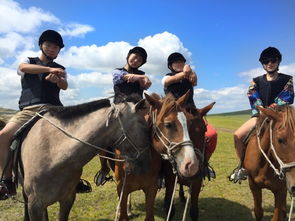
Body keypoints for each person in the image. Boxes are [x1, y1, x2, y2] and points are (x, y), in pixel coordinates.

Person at [0, 30, 90, 200]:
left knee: (78, 137)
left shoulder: (61, 69)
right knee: (3, 136)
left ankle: (74, 178)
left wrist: (58, 80)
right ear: (41, 45)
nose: (51, 49)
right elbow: (22, 68)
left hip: (53, 109)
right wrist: (49, 69)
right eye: (48, 45)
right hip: (29, 110)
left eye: (55, 47)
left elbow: (64, 86)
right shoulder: (29, 60)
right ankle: (7, 181)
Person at [229, 47, 294, 183]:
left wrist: (270, 111)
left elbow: (286, 97)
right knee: (238, 135)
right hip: (260, 116)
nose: (270, 63)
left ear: (278, 61)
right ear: (263, 64)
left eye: (273, 60)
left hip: (281, 117)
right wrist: (261, 111)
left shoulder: (287, 80)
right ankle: (242, 167)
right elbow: (252, 95)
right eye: (266, 61)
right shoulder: (256, 81)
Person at [94, 46, 152, 186]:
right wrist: (142, 77)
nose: (136, 60)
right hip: (120, 109)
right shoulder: (117, 71)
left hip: (138, 110)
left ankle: (159, 171)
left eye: (140, 59)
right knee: (102, 136)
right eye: (135, 56)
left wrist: (145, 80)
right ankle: (104, 168)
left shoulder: (141, 74)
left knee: (154, 132)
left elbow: (146, 85)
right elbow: (126, 77)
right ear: (128, 55)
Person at [162, 52, 218, 180]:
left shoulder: (190, 76)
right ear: (170, 66)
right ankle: (161, 172)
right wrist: (186, 71)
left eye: (181, 62)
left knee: (211, 135)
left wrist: (191, 72)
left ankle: (204, 165)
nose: (179, 64)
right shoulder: (166, 77)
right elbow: (172, 80)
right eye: (175, 62)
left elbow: (195, 81)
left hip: (191, 113)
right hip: (173, 114)